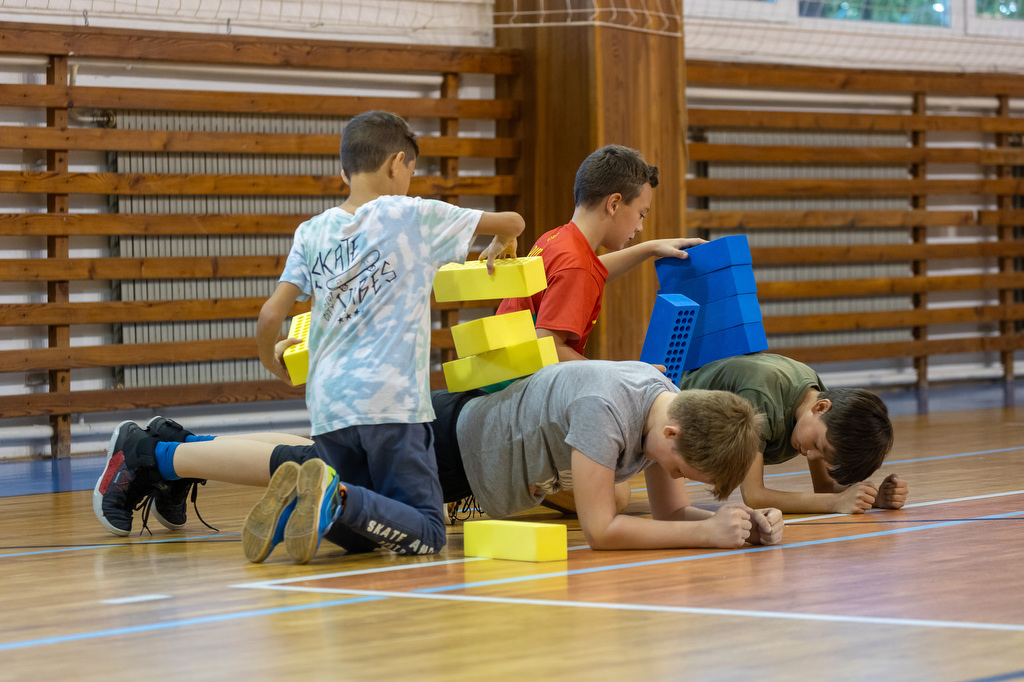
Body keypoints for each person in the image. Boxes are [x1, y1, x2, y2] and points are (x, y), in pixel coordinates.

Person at [94, 110, 525, 565]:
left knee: (367, 534)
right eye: (411, 171)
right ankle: (332, 498)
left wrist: (270, 358)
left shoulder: (312, 231)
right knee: (429, 531)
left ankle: (308, 502)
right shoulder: (413, 214)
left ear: (344, 171)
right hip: (391, 403)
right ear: (397, 162)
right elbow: (513, 222)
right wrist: (502, 242)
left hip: (329, 405)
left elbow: (270, 314)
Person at [96, 361, 786, 553]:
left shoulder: (665, 405)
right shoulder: (608, 412)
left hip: (463, 439)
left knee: (308, 455)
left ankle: (171, 447)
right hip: (453, 446)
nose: (676, 480)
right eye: (683, 470)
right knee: (310, 469)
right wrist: (705, 533)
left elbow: (668, 513)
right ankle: (153, 453)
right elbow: (603, 528)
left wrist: (733, 522)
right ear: (674, 435)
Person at [496, 144, 705, 362]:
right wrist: (618, 373)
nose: (640, 227)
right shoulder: (577, 267)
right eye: (641, 214)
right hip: (519, 379)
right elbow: (549, 348)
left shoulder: (555, 239)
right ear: (614, 204)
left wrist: (649, 248)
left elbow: (590, 270)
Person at [677, 353, 906, 514]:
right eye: (818, 446)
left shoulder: (819, 404)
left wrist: (873, 498)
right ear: (821, 407)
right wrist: (835, 503)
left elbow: (824, 489)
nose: (811, 455)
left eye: (823, 457)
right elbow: (755, 497)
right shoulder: (762, 398)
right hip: (674, 419)